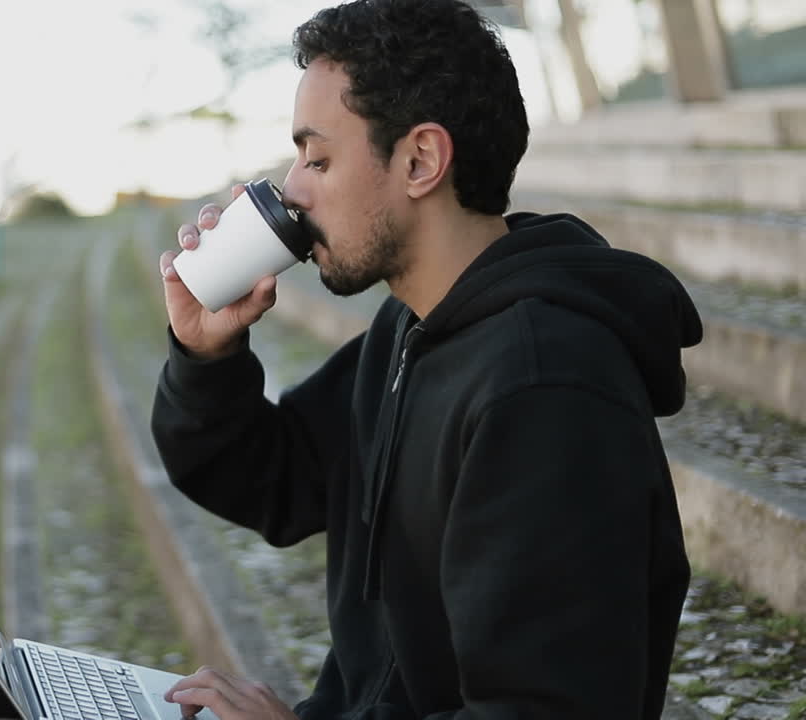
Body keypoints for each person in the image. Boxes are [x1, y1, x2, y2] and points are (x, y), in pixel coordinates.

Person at [152, 0, 702, 718]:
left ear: (420, 161)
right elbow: (277, 481)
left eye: (318, 157)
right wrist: (206, 355)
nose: (292, 190)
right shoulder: (411, 331)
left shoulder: (543, 385)